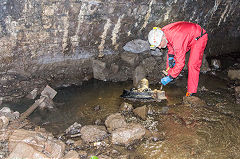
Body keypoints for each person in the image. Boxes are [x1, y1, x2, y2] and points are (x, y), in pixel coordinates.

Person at [148, 21, 208, 96]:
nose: (159, 47)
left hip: (199, 37)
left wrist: (170, 77)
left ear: (162, 38)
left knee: (192, 65)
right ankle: (171, 76)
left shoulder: (177, 39)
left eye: (159, 45)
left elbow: (181, 63)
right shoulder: (163, 32)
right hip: (187, 37)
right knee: (171, 59)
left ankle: (191, 91)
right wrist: (170, 57)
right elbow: (169, 43)